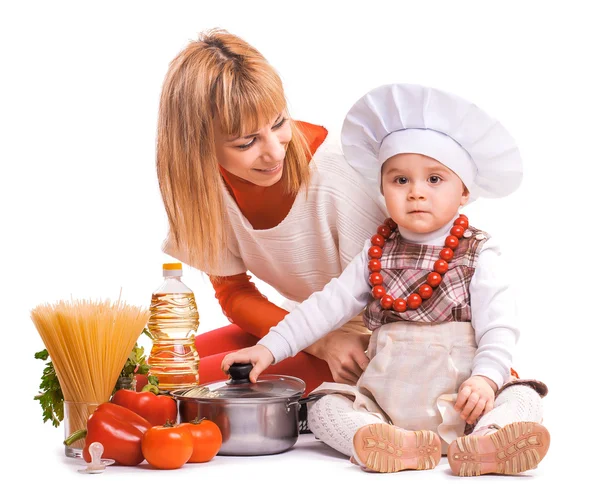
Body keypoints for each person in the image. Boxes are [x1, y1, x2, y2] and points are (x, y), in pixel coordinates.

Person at [222, 83, 550, 476]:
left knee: (523, 394)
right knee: (325, 407)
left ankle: (490, 438)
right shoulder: (375, 253)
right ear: (381, 188)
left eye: (434, 180)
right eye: (400, 181)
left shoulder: (477, 253)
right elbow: (324, 307)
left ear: (464, 191)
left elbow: (499, 326)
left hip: (464, 401)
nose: (416, 193)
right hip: (388, 399)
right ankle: (381, 440)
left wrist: (484, 380)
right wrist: (269, 349)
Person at [156, 28, 387, 396]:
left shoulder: (337, 176)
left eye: (279, 123)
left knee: (185, 389)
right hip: (305, 331)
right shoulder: (202, 189)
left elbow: (403, 299)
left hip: (368, 339)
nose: (275, 152)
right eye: (246, 141)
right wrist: (319, 340)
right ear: (197, 146)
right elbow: (234, 294)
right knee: (155, 375)